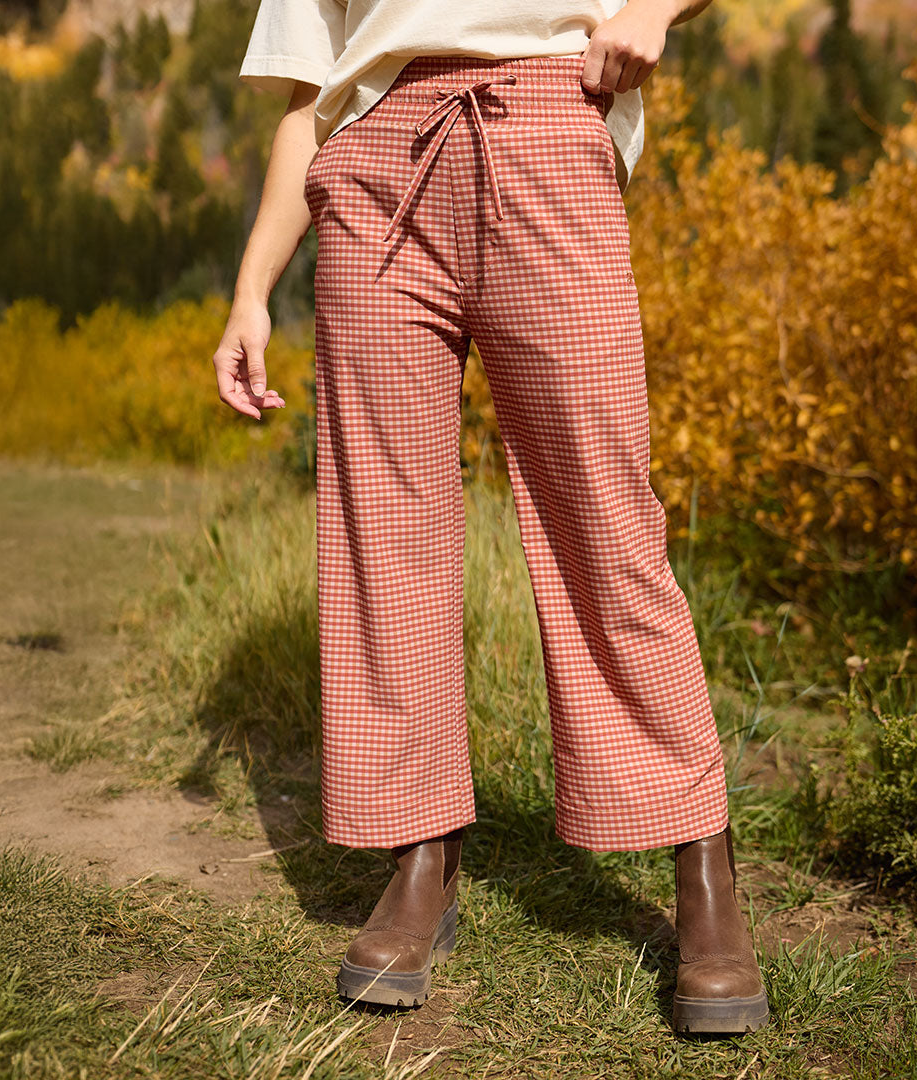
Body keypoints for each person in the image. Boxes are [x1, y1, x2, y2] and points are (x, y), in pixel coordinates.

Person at [212, 0, 770, 1037]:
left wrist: (651, 9)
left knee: (603, 517)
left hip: (547, 126)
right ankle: (420, 854)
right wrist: (253, 292)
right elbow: (307, 97)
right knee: (384, 536)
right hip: (374, 166)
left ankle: (702, 868)